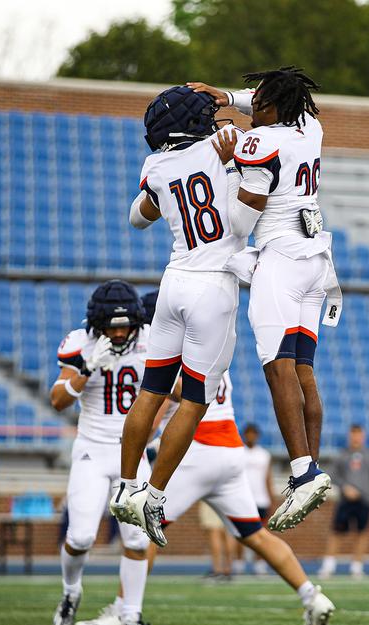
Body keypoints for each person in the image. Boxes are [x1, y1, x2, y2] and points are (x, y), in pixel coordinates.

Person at [188, 67, 339, 533]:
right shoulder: (310, 125)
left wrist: (232, 165)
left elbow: (237, 222)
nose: (250, 111)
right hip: (318, 260)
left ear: (272, 107)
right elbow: (261, 102)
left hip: (282, 263)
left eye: (258, 104)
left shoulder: (259, 144)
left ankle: (302, 471)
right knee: (303, 371)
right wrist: (227, 96)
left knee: (277, 369)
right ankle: (306, 473)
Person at [93, 369, 335, 625]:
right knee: (254, 534)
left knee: (141, 530)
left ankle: (124, 610)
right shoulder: (214, 347)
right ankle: (312, 596)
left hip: (196, 451)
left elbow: (155, 415)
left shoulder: (179, 349)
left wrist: (136, 444)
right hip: (231, 452)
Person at [112, 85, 249, 548]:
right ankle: (153, 495)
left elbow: (137, 217)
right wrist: (229, 162)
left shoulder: (155, 165)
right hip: (214, 283)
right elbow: (244, 215)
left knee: (150, 390)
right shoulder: (221, 143)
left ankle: (127, 484)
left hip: (173, 280)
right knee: (194, 400)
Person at [48, 280, 155, 625]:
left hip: (133, 452)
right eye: (113, 325)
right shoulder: (81, 344)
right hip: (93, 450)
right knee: (79, 538)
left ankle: (131, 614)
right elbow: (57, 400)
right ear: (97, 323)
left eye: (126, 325)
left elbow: (175, 389)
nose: (121, 332)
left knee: (138, 540)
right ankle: (71, 591)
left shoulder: (151, 339)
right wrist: (87, 369)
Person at [319, 424, 369, 580]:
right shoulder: (342, 455)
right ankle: (328, 566)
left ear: (363, 436)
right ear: (349, 436)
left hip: (365, 500)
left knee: (362, 533)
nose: (356, 438)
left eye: (359, 434)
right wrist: (345, 487)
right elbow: (332, 476)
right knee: (336, 532)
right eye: (353, 434)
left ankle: (357, 567)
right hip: (345, 500)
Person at [235, 423, 273, 574]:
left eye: (253, 433)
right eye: (248, 433)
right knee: (240, 533)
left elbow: (268, 479)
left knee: (261, 534)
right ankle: (238, 562)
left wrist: (271, 499)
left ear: (257, 436)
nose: (250, 436)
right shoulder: (238, 453)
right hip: (242, 499)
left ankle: (260, 563)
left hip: (261, 500)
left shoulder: (264, 455)